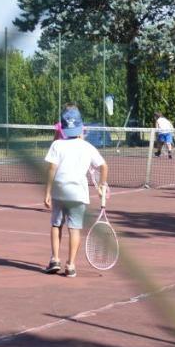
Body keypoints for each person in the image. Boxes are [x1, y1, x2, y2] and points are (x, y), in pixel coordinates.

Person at [42, 106, 108, 278]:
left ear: (63, 128)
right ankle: (70, 265)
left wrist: (47, 192)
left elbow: (51, 168)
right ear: (81, 128)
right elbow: (103, 166)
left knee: (56, 224)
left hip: (59, 191)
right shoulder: (87, 147)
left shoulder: (57, 144)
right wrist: (101, 185)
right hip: (78, 194)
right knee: (75, 228)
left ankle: (55, 259)